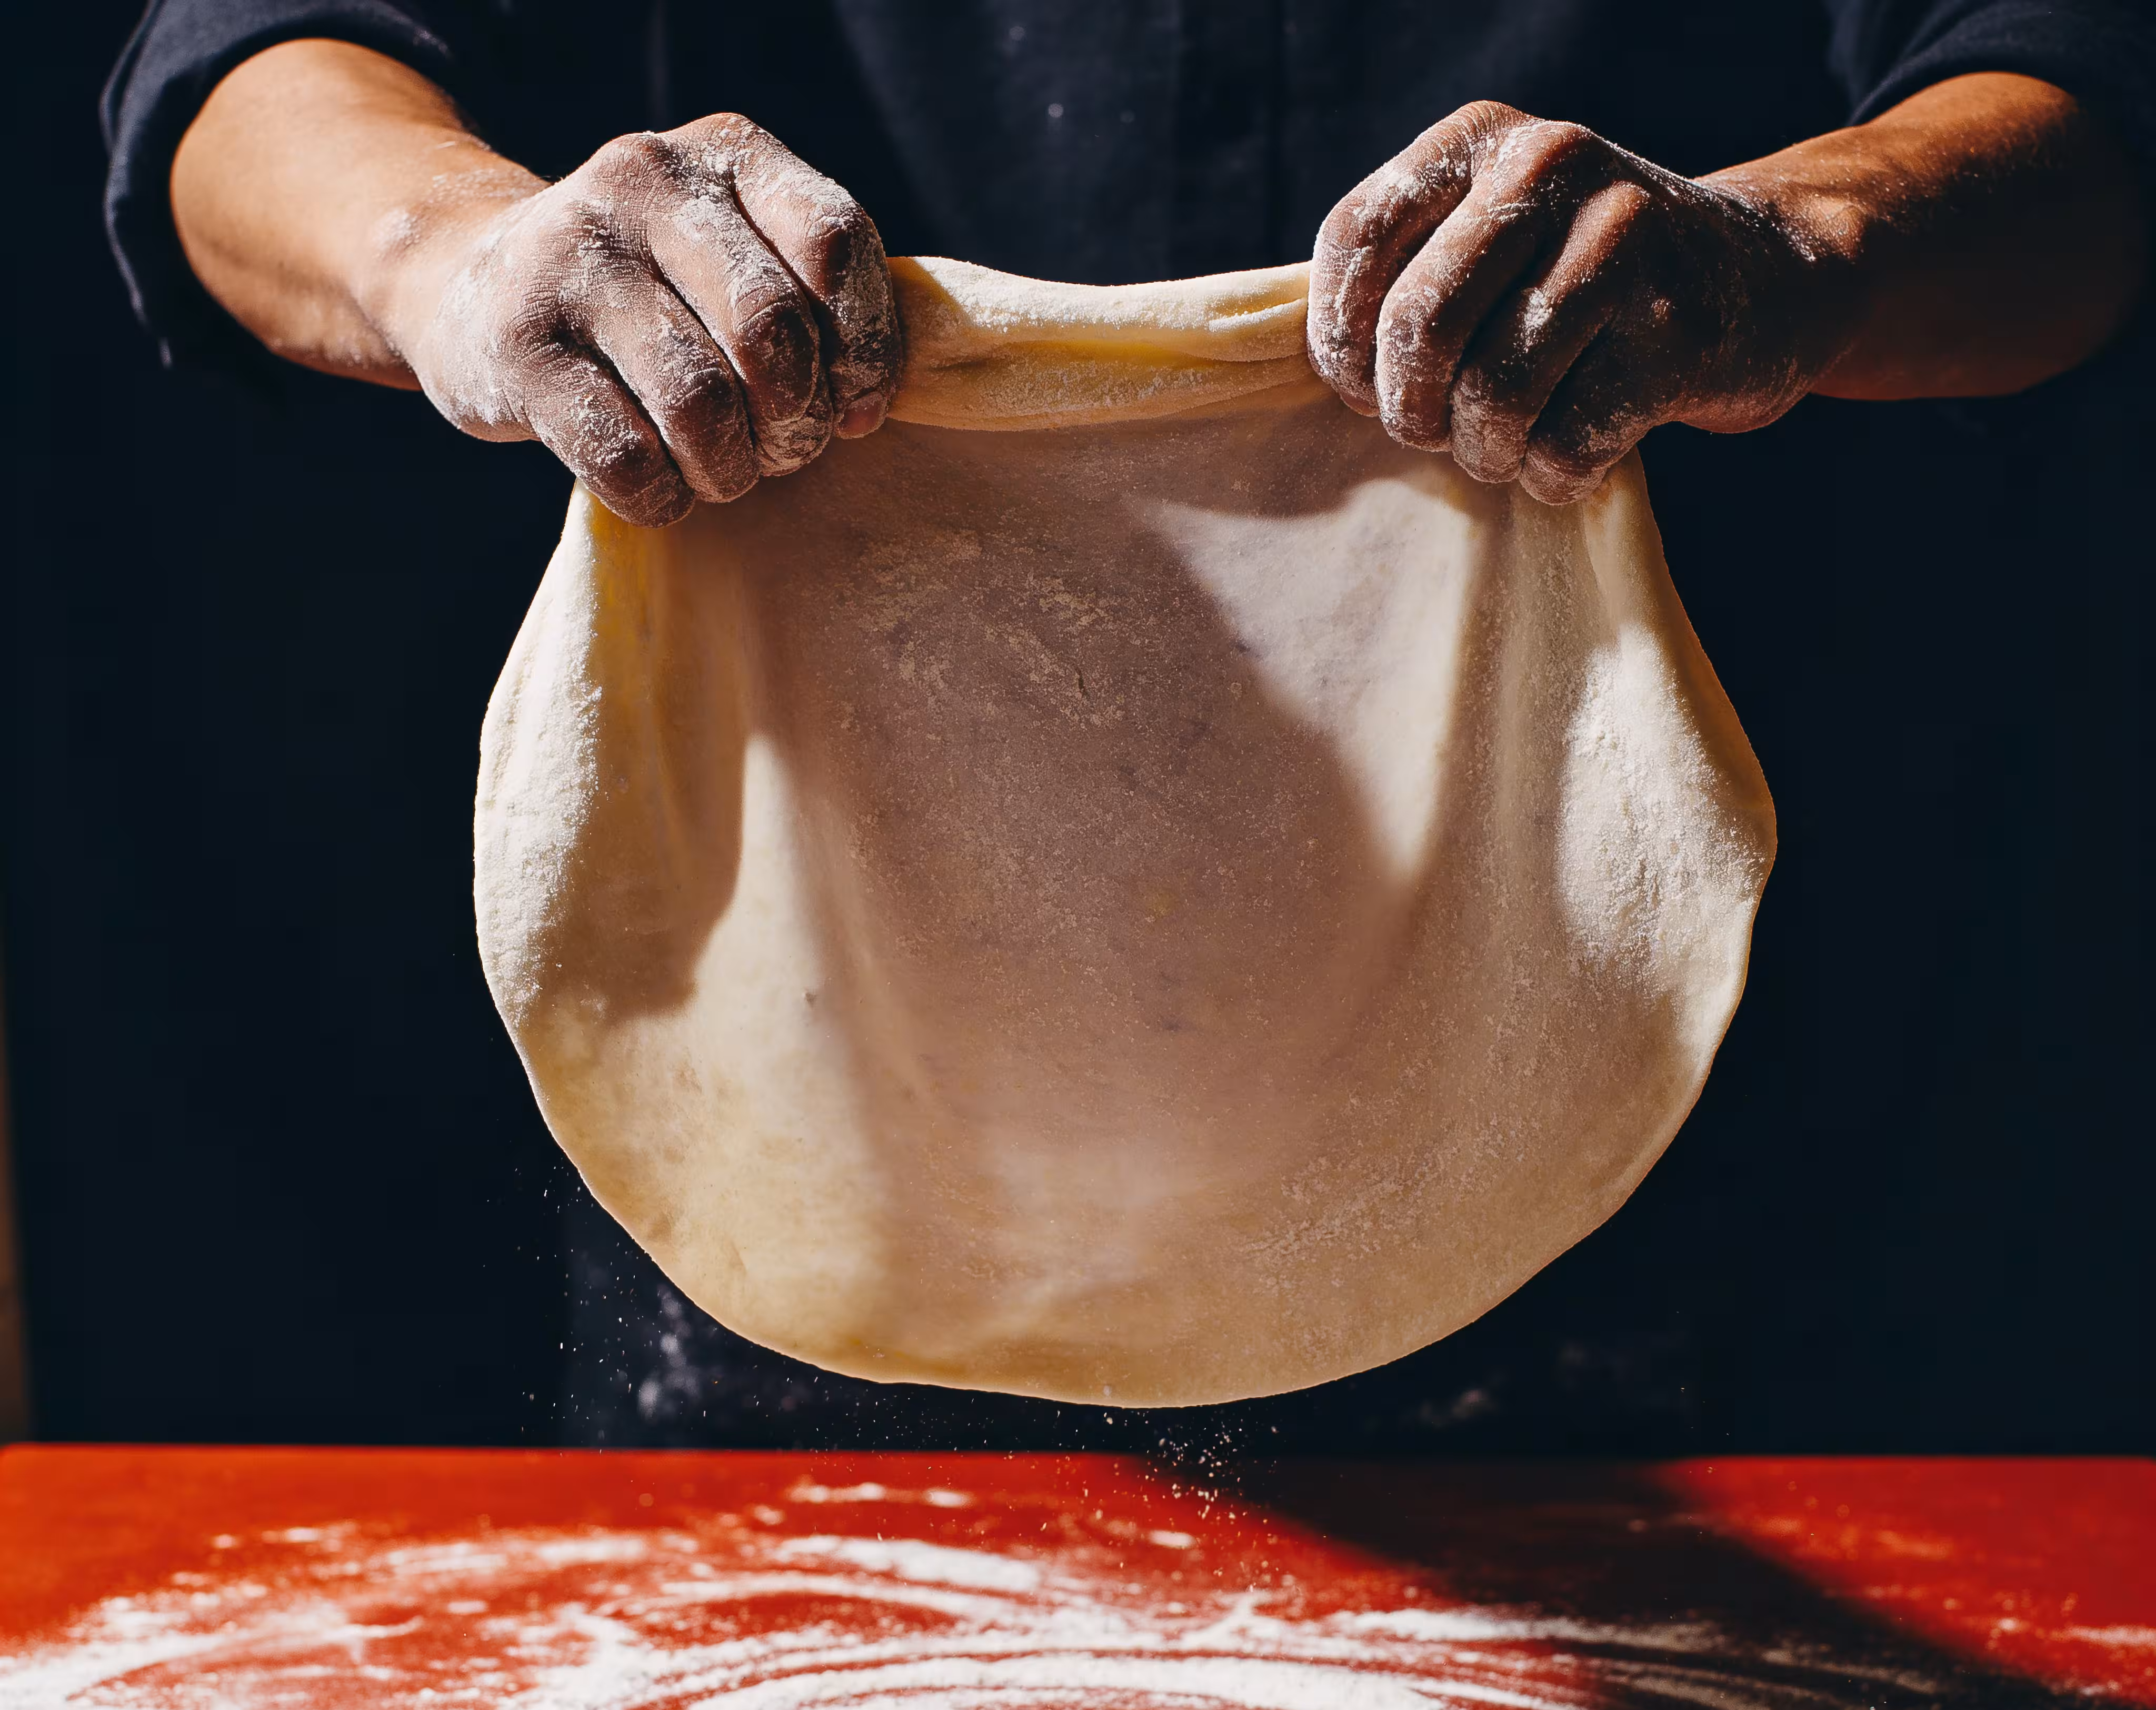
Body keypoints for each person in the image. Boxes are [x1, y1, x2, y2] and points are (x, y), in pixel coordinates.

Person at [97, 1, 2152, 1448]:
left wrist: (1798, 243)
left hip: (1653, 1200)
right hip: (818, 1143)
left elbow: (2090, 96)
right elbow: (244, 61)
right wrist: (453, 253)